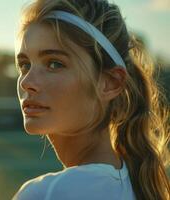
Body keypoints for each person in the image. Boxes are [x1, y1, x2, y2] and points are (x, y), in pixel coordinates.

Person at [12, 0, 170, 199]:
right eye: (25, 65)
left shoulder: (48, 193)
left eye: (54, 64)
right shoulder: (137, 186)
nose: (27, 81)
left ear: (110, 83)